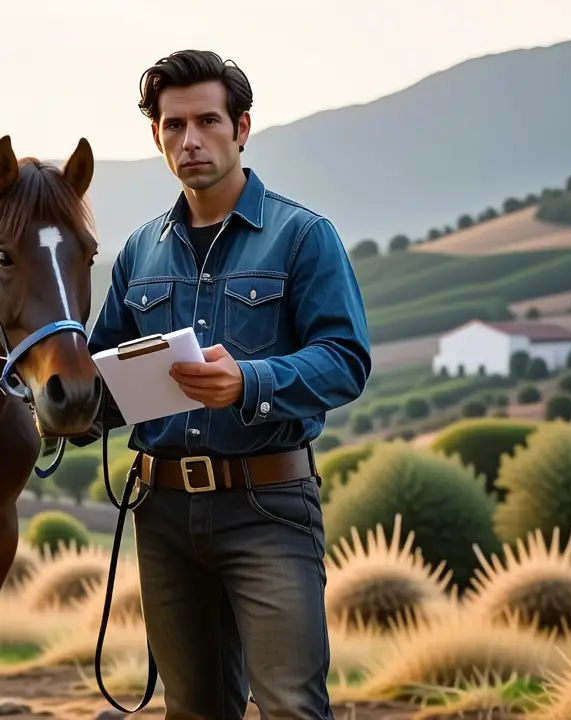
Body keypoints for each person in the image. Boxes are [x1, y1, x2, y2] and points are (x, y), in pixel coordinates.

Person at [73, 49, 372, 719]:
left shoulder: (303, 237)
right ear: (157, 137)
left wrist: (250, 382)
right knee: (195, 710)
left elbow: (347, 359)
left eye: (208, 120)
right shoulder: (139, 253)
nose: (191, 139)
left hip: (268, 507)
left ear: (241, 127)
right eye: (173, 125)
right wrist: (45, 398)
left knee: (292, 706)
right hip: (162, 512)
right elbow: (99, 385)